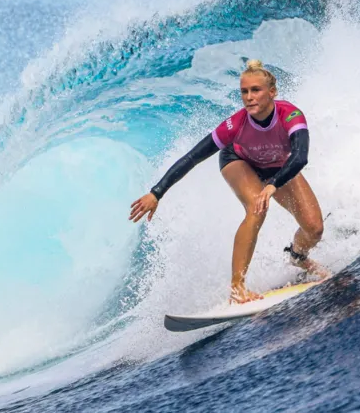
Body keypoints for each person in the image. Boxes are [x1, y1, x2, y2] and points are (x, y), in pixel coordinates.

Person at [129, 60, 331, 303]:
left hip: (278, 166)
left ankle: (298, 256)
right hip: (238, 160)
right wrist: (157, 192)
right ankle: (237, 289)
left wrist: (272, 184)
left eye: (255, 90)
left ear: (272, 92)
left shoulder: (291, 115)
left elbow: (300, 156)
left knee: (314, 228)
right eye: (244, 92)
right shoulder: (235, 125)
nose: (249, 97)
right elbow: (193, 157)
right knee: (257, 208)